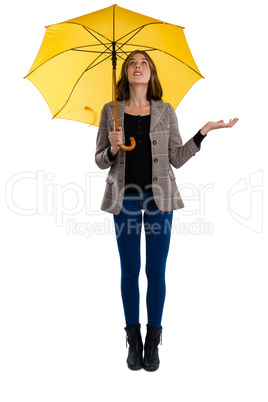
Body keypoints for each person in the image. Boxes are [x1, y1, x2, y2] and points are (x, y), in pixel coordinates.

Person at [95, 50, 238, 371]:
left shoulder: (165, 111)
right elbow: (99, 159)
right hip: (125, 199)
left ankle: (152, 340)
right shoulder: (110, 111)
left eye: (143, 63)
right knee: (130, 270)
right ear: (125, 73)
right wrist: (113, 147)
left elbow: (176, 157)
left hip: (161, 200)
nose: (137, 66)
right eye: (132, 62)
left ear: (152, 73)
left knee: (155, 270)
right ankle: (133, 340)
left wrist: (203, 133)